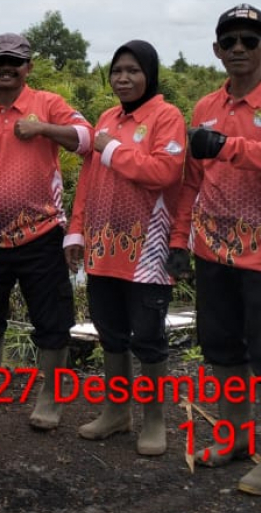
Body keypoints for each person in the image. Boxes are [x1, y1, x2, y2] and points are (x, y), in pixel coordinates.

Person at [169, 4, 261, 495]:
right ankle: (236, 438)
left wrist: (227, 146)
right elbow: (191, 181)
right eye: (229, 42)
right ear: (216, 51)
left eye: (250, 41)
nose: (239, 50)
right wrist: (179, 239)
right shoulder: (206, 106)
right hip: (211, 249)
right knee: (223, 348)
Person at [0, 33, 91, 430]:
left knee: (53, 320)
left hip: (42, 234)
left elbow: (86, 139)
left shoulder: (48, 105)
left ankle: (50, 397)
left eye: (14, 61)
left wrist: (43, 128)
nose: (6, 68)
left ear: (28, 67)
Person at [63, 40, 186, 454]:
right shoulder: (106, 118)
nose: (124, 78)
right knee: (110, 332)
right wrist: (76, 231)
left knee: (149, 336)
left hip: (147, 251)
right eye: (117, 71)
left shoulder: (166, 117)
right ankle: (117, 412)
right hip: (102, 247)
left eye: (133, 70)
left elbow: (165, 173)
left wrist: (113, 149)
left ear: (149, 73)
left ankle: (155, 421)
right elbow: (90, 179)